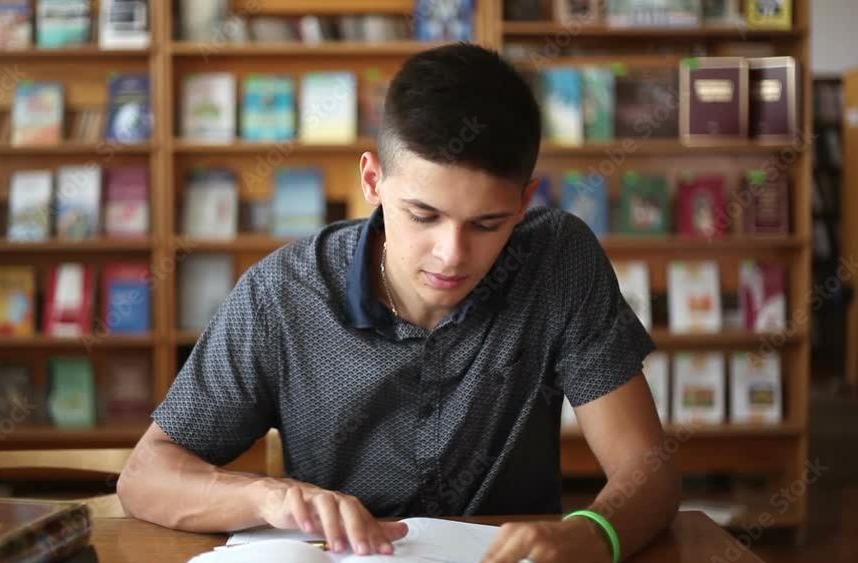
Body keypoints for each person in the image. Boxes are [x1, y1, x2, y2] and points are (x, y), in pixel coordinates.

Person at [118, 42, 681, 563]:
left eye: (488, 223)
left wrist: (592, 533)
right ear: (372, 179)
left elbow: (648, 473)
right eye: (423, 215)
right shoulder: (283, 294)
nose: (451, 255)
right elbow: (145, 475)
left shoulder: (559, 260)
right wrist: (269, 498)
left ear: (525, 200)